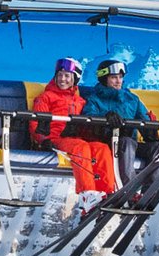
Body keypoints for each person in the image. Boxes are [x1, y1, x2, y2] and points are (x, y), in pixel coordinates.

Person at [29, 57, 111, 200]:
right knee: (80, 147)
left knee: (101, 148)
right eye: (59, 75)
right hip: (56, 139)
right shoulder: (46, 97)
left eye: (67, 76)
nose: (62, 79)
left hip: (75, 139)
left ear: (75, 78)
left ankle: (107, 192)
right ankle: (88, 194)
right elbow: (35, 124)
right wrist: (43, 140)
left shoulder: (80, 102)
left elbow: (86, 126)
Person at [80, 58, 159, 191]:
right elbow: (88, 120)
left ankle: (152, 189)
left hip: (131, 144)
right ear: (104, 79)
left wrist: (151, 132)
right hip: (110, 144)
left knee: (158, 147)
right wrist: (104, 118)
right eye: (113, 77)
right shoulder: (94, 99)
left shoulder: (132, 99)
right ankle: (129, 189)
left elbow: (144, 118)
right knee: (126, 142)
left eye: (120, 77)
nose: (118, 81)